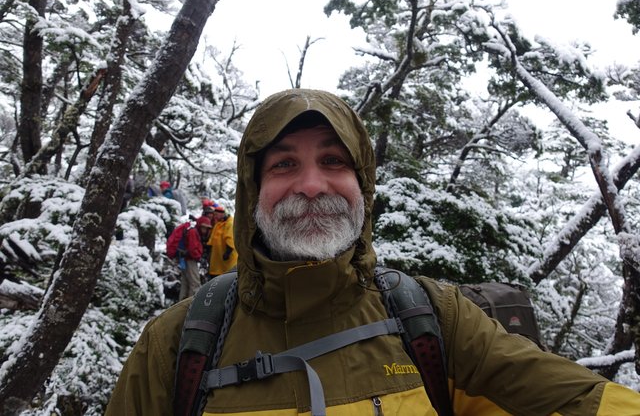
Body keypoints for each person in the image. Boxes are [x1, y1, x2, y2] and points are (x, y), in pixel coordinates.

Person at [105, 89, 640, 415]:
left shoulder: (433, 318)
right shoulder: (176, 345)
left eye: (334, 161)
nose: (312, 185)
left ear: (363, 184)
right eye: (284, 164)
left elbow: (574, 400)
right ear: (253, 190)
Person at [165, 216, 212, 300]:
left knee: (185, 283)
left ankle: (182, 303)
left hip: (184, 259)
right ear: (200, 226)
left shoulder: (192, 230)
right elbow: (192, 249)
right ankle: (192, 306)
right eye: (205, 228)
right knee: (195, 283)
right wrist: (198, 258)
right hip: (190, 260)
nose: (205, 230)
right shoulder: (193, 232)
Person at [206, 204, 237, 276]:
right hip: (217, 259)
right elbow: (212, 239)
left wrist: (228, 252)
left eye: (216, 214)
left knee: (227, 276)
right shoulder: (218, 224)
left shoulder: (230, 223)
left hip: (227, 259)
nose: (215, 216)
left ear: (222, 214)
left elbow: (230, 238)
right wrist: (208, 246)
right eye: (214, 214)